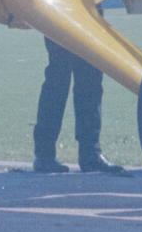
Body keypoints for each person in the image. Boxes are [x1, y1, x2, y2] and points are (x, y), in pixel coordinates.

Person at [31, 39, 127, 174]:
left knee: (90, 79)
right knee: (59, 78)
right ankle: (45, 155)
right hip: (61, 19)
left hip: (90, 19)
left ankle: (90, 154)